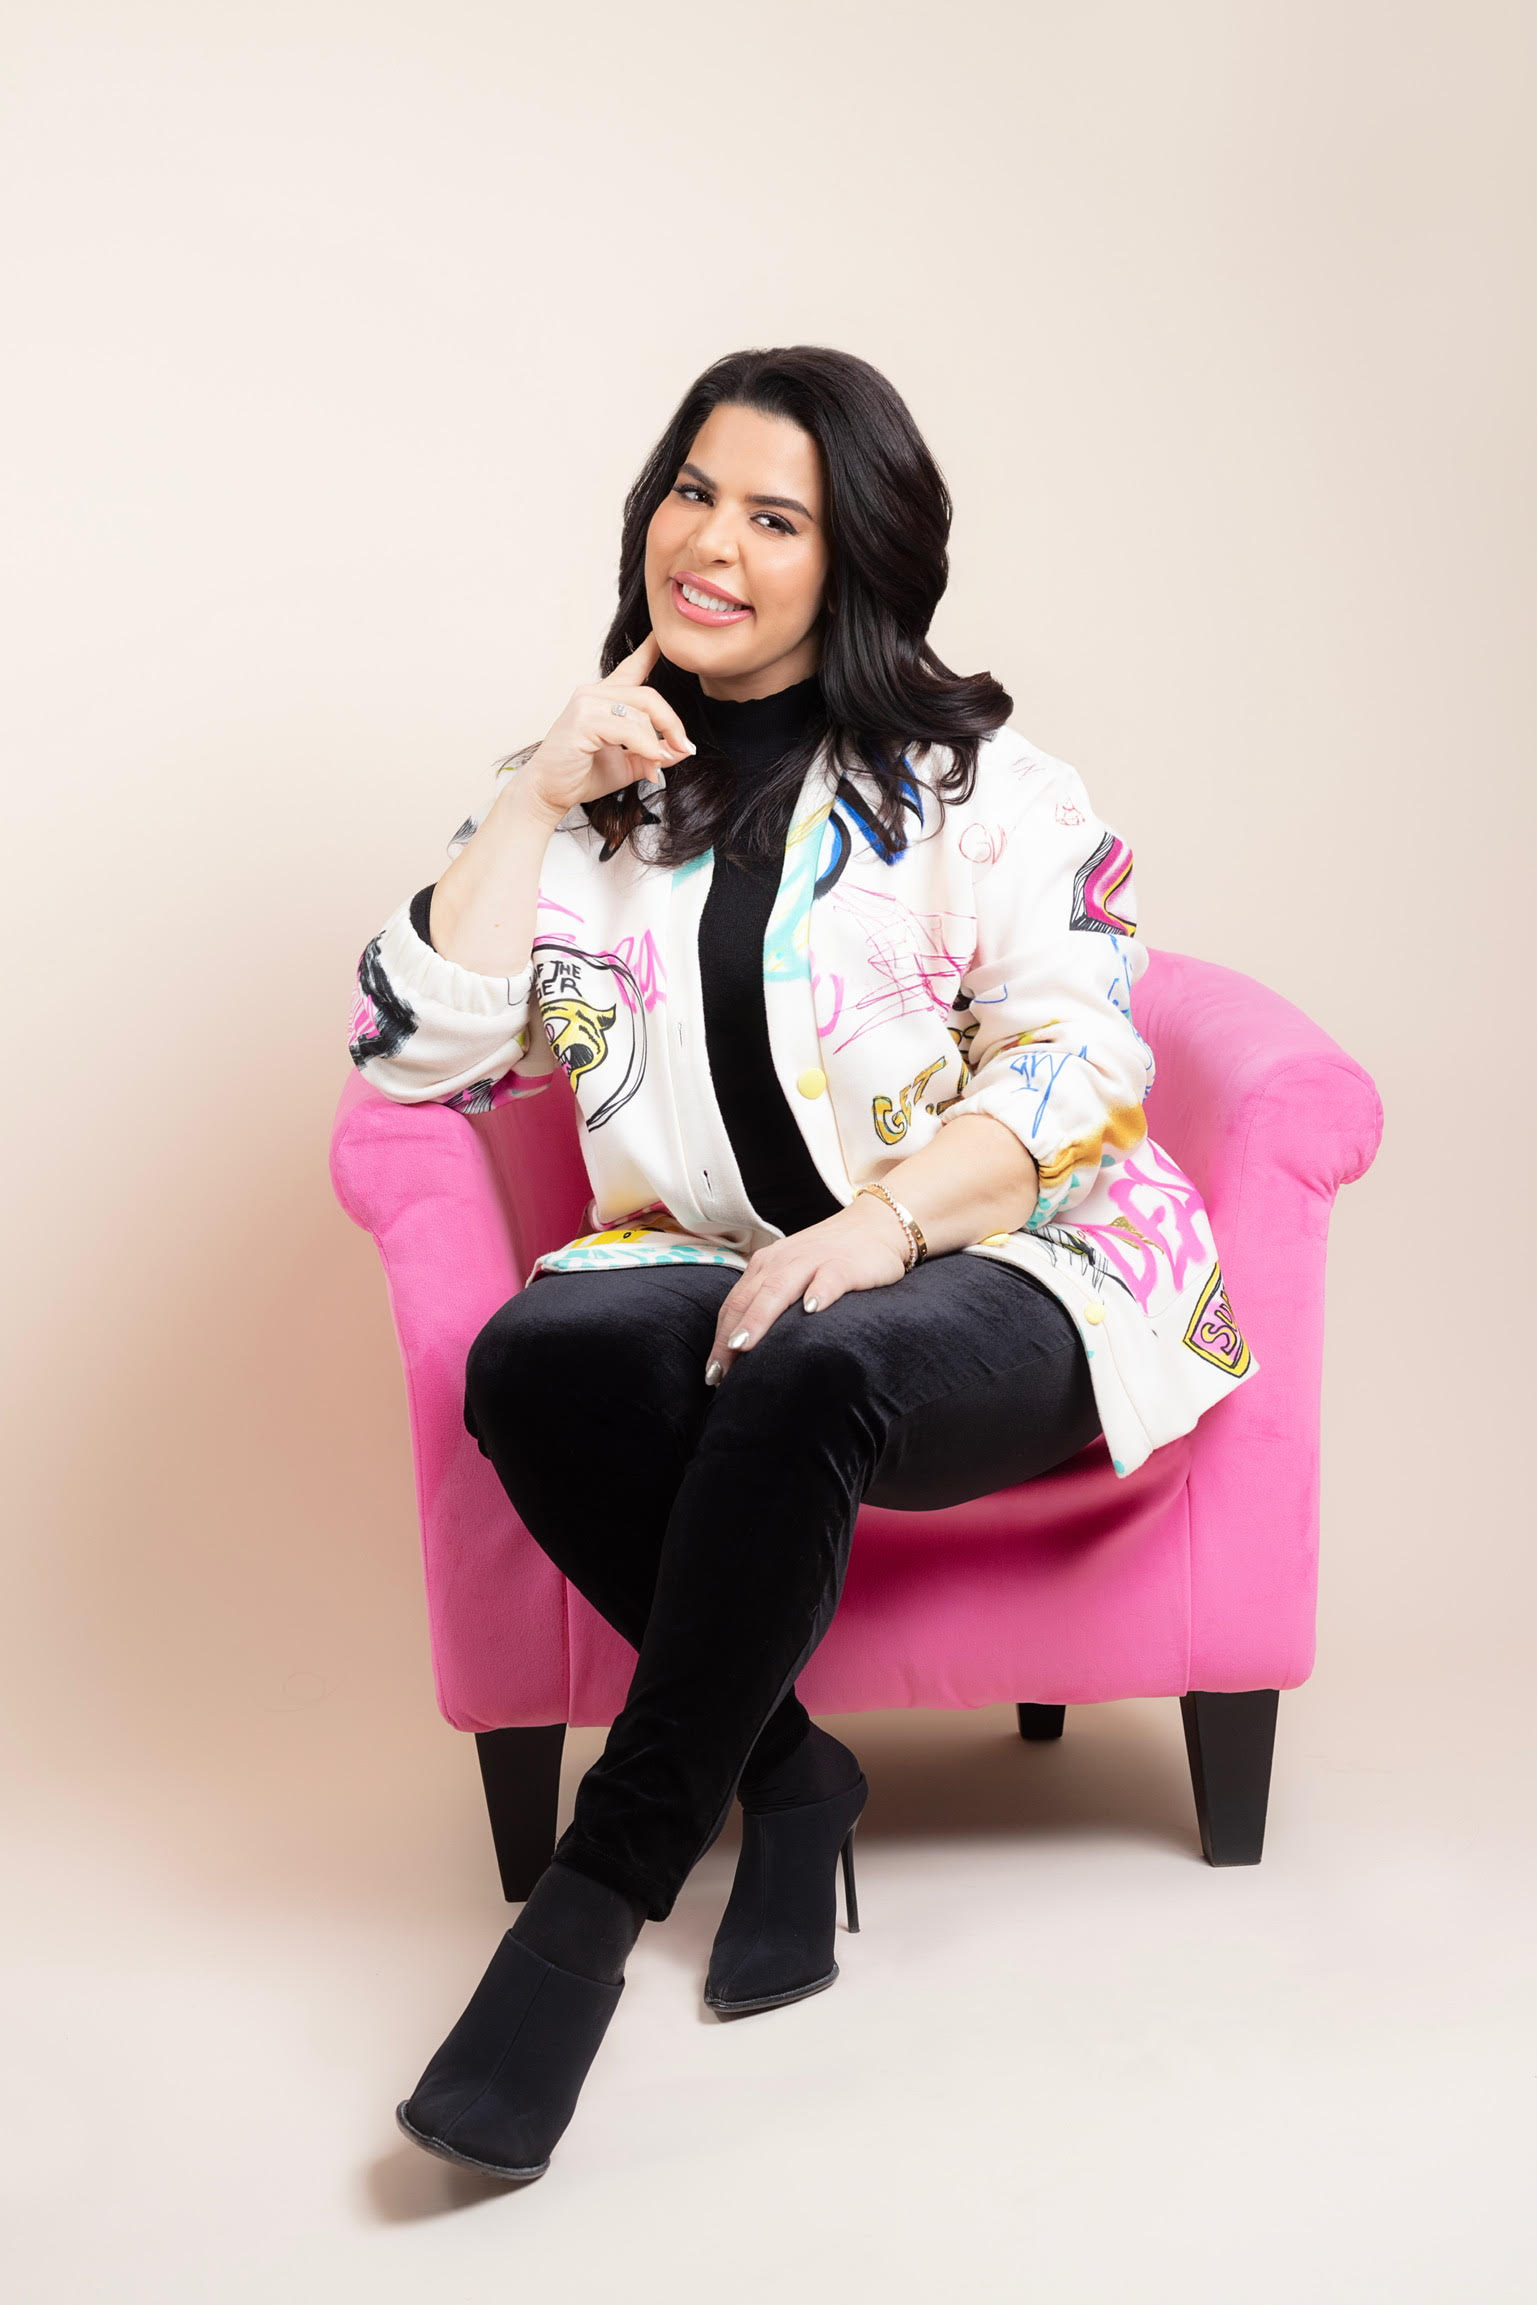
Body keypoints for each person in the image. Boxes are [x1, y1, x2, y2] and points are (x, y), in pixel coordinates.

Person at [347, 345, 1258, 2183]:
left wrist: (889, 1222)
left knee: (811, 1362)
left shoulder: (980, 784)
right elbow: (414, 1055)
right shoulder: (598, 793)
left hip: (1024, 1259)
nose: (714, 543)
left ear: (853, 564)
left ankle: (587, 1914)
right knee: (532, 1360)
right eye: (695, 492)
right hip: (725, 1258)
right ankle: (788, 1771)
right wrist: (535, 790)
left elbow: (1085, 1057)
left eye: (777, 517)